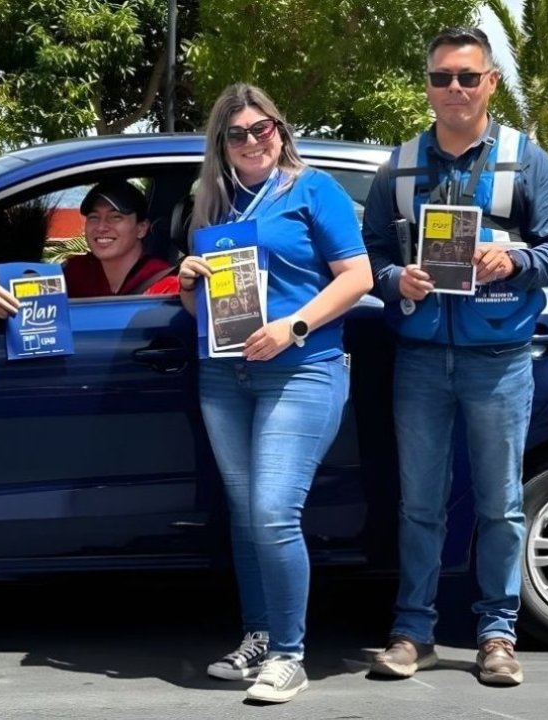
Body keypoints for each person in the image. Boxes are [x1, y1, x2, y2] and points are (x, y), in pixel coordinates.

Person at [362, 27, 548, 686]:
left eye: (466, 76)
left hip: (500, 359)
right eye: (441, 77)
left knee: (501, 506)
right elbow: (369, 257)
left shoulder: (525, 161)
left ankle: (496, 636)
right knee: (419, 506)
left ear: (490, 83)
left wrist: (512, 261)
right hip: (421, 357)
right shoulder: (399, 167)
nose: (453, 88)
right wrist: (395, 280)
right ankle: (413, 632)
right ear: (428, 86)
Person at [176, 83, 372, 703]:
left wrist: (295, 326)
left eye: (262, 128)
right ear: (222, 144)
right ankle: (258, 637)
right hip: (226, 375)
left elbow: (359, 276)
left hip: (303, 368)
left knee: (272, 511)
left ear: (280, 130)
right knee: (245, 513)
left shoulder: (315, 190)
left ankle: (290, 655)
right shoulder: (214, 204)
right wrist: (187, 285)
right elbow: (204, 311)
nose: (252, 140)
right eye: (237, 133)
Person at [0, 180, 177, 318]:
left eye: (116, 217)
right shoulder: (76, 271)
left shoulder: (166, 284)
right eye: (93, 217)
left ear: (141, 228)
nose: (101, 227)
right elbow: (26, 294)